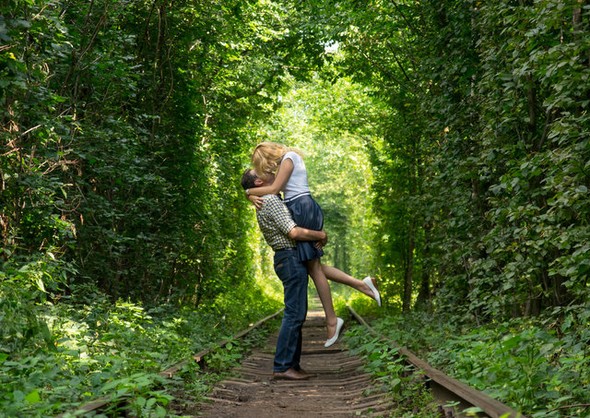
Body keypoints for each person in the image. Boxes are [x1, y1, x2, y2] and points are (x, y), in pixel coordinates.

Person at [244, 142, 381, 347]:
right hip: (298, 207)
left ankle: (332, 320)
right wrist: (251, 193)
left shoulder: (289, 158)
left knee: (314, 268)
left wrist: (249, 193)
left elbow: (273, 189)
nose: (267, 170)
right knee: (312, 265)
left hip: (301, 207)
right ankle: (361, 286)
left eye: (264, 165)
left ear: (268, 156)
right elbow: (273, 189)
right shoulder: (286, 161)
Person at [241, 169, 325, 380]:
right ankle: (283, 367)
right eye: (263, 170)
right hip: (289, 258)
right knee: (294, 313)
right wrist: (321, 234)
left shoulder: (267, 197)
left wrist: (248, 193)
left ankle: (292, 365)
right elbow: (293, 232)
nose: (271, 170)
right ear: (260, 181)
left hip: (288, 258)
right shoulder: (269, 200)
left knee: (297, 313)